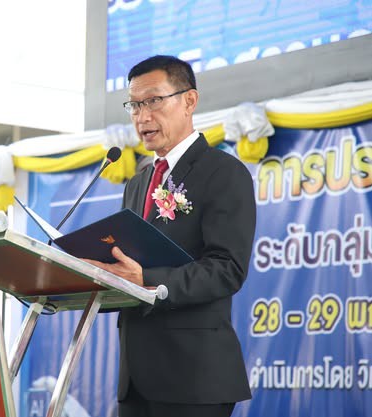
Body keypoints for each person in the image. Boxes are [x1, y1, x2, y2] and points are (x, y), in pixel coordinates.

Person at [85, 55, 256, 417]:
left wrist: (146, 279)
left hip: (193, 378)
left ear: (189, 101)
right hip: (135, 379)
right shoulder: (137, 183)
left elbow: (227, 268)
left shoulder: (223, 173)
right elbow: (130, 264)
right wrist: (96, 274)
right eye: (134, 105)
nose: (141, 116)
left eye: (153, 101)